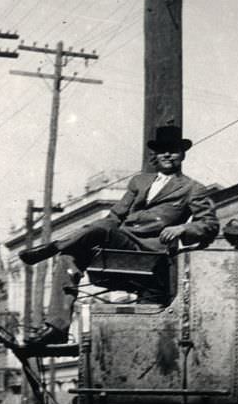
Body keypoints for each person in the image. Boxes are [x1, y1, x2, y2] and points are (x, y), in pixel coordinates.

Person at [18, 125, 219, 347]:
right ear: (155, 155)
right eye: (162, 150)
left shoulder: (193, 188)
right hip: (120, 247)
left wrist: (183, 229)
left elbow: (210, 225)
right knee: (69, 257)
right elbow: (115, 216)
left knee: (102, 229)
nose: (168, 154)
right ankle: (57, 327)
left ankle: (52, 247)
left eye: (173, 150)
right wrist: (98, 231)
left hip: (149, 254)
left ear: (182, 154)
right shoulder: (139, 182)